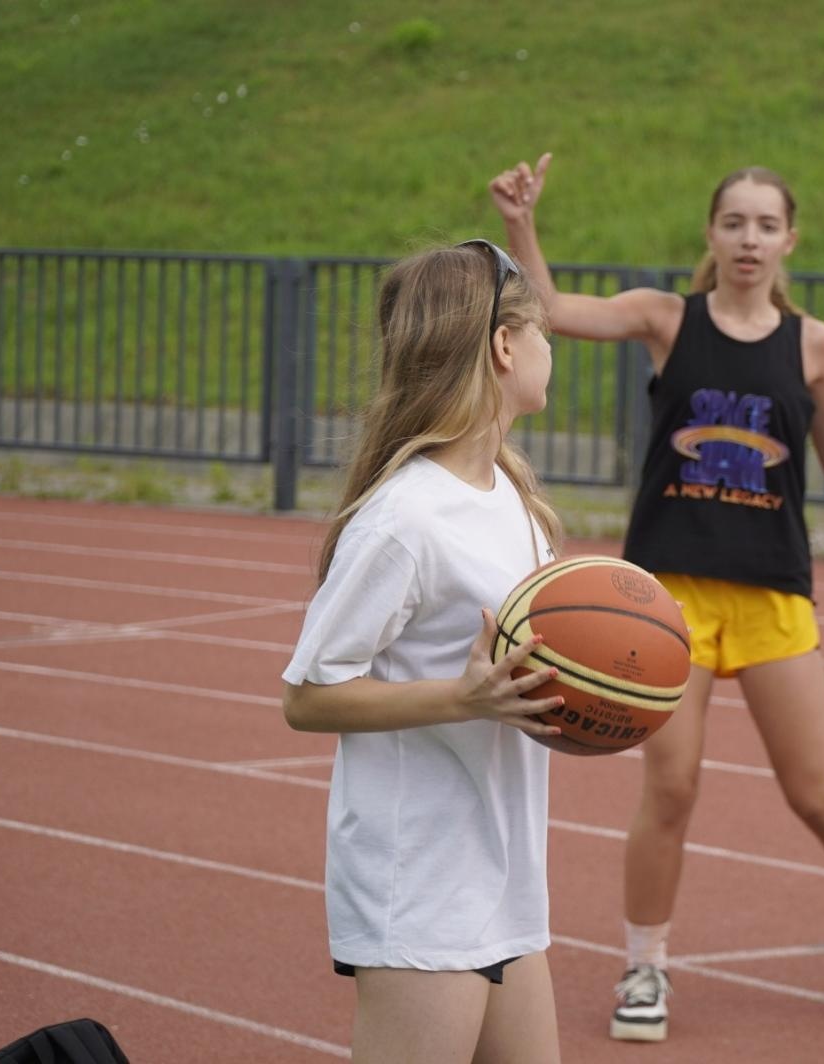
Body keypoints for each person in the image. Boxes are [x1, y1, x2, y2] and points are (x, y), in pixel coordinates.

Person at [490, 152, 824, 1043]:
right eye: (734, 222)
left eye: (766, 224)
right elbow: (556, 314)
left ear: (789, 240)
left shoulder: (813, 343)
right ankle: (645, 966)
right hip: (670, 598)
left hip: (772, 595)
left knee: (815, 793)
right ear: (712, 233)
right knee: (673, 787)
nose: (749, 239)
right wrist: (521, 225)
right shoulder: (667, 319)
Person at [281, 239, 571, 1064]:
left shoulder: (512, 494)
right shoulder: (405, 518)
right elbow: (306, 695)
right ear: (504, 347)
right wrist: (465, 698)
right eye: (541, 330)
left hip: (504, 866)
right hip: (423, 876)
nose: (552, 349)